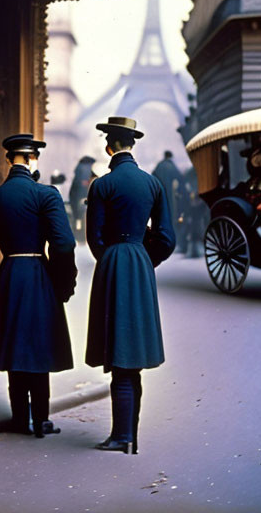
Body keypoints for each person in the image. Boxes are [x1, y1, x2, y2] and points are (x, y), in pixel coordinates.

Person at [85, 117, 175, 454]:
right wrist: (143, 257)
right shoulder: (152, 184)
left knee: (118, 351)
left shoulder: (101, 186)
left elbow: (94, 238)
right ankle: (129, 436)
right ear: (132, 146)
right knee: (132, 352)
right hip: (140, 262)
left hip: (113, 264)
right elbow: (167, 238)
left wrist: (111, 259)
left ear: (109, 146)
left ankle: (121, 436)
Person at [0, 133, 78, 438]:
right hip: (38, 271)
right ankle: (41, 419)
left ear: (9, 158)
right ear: (33, 158)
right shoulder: (46, 195)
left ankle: (18, 419)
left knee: (16, 344)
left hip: (10, 271)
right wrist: (64, 283)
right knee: (39, 345)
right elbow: (64, 243)